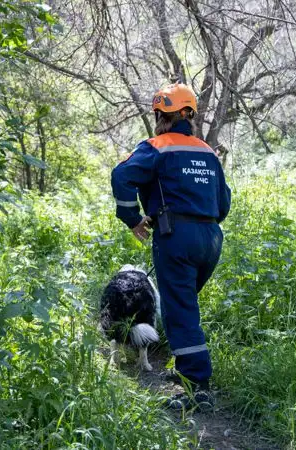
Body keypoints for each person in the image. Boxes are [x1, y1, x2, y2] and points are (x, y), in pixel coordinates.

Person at [110, 83, 231, 410]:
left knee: (181, 312)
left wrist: (132, 217)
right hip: (211, 239)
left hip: (176, 236)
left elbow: (121, 176)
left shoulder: (156, 147)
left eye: (159, 115)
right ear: (189, 115)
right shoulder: (207, 151)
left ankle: (197, 389)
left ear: (163, 116)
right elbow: (223, 204)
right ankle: (188, 371)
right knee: (185, 307)